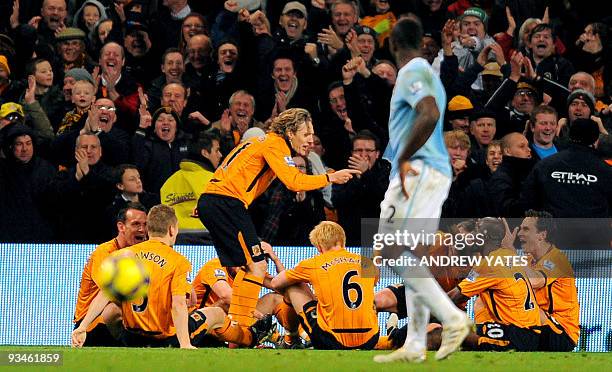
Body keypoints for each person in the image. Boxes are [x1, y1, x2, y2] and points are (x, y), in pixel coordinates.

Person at [197, 108, 360, 329]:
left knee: (250, 266)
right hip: (227, 203)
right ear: (290, 132)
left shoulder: (259, 141)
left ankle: (237, 325)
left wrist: (208, 203)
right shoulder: (275, 144)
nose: (310, 140)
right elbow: (293, 181)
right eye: (306, 134)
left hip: (218, 201)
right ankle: (240, 326)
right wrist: (330, 177)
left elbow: (231, 170)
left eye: (312, 135)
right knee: (256, 265)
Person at [373, 18, 471, 364]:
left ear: (393, 45)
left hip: (416, 171)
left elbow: (427, 113)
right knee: (411, 256)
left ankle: (452, 317)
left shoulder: (411, 72)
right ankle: (415, 341)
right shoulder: (429, 72)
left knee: (387, 250)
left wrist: (402, 154)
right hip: (434, 173)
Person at [270, 221, 380, 350]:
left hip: (331, 340)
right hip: (370, 339)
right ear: (343, 240)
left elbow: (275, 283)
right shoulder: (367, 263)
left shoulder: (313, 263)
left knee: (293, 285)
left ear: (319, 246)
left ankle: (291, 339)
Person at [445, 218, 542, 351]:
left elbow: (453, 298)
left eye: (477, 230)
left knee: (443, 333)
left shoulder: (490, 264)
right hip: (529, 332)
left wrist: (416, 309)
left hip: (516, 335)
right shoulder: (507, 255)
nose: (473, 235)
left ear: (488, 236)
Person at [72, 203, 148, 346]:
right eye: (136, 224)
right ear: (121, 227)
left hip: (124, 317)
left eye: (145, 224)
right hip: (93, 321)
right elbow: (112, 293)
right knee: (113, 309)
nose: (142, 229)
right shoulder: (104, 253)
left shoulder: (143, 252)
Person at [517, 210, 580, 351]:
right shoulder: (528, 260)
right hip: (541, 326)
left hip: (561, 332)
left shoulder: (558, 260)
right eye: (520, 228)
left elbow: (534, 281)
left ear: (542, 235)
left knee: (526, 308)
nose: (520, 233)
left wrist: (510, 251)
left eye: (526, 229)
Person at [332, 130, 391, 246]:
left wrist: (366, 174)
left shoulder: (387, 173)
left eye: (369, 150)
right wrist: (358, 180)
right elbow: (337, 201)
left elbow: (384, 199)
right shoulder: (342, 173)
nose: (363, 154)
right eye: (358, 150)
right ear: (351, 153)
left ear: (377, 154)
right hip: (349, 239)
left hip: (379, 239)